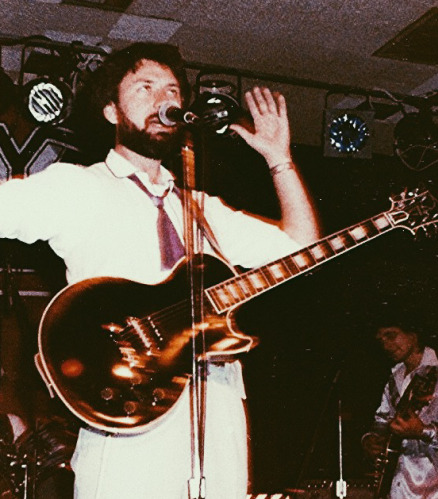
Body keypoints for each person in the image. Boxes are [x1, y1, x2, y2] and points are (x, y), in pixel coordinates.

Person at [0, 42, 320, 498]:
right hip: (127, 414)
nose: (163, 100)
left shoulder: (204, 210)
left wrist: (279, 159)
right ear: (112, 111)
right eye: (144, 87)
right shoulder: (77, 187)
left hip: (217, 407)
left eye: (172, 90)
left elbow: (300, 250)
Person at [362, 320, 438, 498]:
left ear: (413, 336)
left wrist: (422, 431)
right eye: (381, 340)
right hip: (399, 483)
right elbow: (381, 421)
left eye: (391, 335)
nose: (385, 344)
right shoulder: (395, 376)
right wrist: (371, 439)